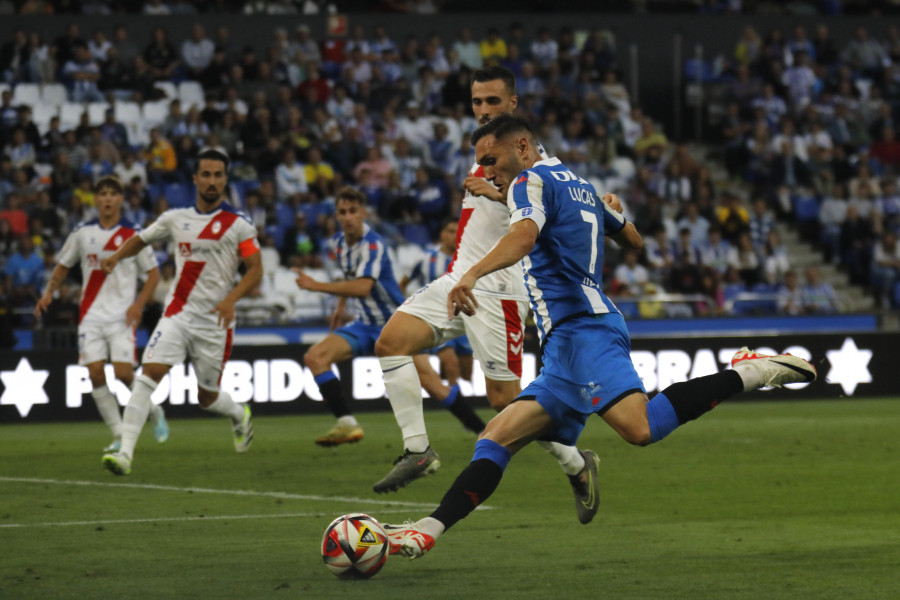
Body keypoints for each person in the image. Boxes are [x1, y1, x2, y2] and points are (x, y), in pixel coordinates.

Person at [382, 114, 817, 560]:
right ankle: (425, 533)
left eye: (491, 160)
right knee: (495, 437)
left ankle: (749, 371)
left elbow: (525, 236)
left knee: (640, 428)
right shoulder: (579, 183)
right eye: (481, 164)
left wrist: (470, 274)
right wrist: (615, 213)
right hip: (564, 346)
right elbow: (632, 239)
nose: (486, 171)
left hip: (583, 331)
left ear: (525, 146)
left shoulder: (526, 182)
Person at [373, 66, 590, 510]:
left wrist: (495, 194)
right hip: (460, 278)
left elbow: (546, 217)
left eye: (493, 102)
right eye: (477, 102)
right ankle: (418, 450)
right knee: (391, 342)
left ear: (513, 103)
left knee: (506, 406)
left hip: (501, 292)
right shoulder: (484, 152)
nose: (484, 110)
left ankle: (576, 463)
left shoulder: (537, 161)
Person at [98, 149, 262, 476]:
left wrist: (231, 299)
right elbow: (141, 239)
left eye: (218, 175)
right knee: (147, 377)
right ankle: (126, 454)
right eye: (206, 174)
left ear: (225, 179)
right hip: (177, 315)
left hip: (215, 322)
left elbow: (255, 270)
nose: (212, 181)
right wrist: (116, 256)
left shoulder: (238, 225)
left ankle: (238, 415)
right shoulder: (175, 219)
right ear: (195, 178)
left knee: (207, 397)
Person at [34, 175, 167, 453]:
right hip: (91, 315)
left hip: (122, 316)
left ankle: (153, 411)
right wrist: (49, 292)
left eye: (112, 194)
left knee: (123, 374)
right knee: (95, 375)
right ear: (96, 200)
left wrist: (138, 305)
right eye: (102, 194)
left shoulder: (134, 234)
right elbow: (62, 265)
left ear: (120, 199)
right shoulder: (82, 233)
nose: (107, 198)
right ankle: (118, 434)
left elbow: (153, 275)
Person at [293, 186, 406, 446]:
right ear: (336, 215)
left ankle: (483, 429)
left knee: (432, 383)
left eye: (353, 211)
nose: (348, 217)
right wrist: (339, 308)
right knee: (315, 357)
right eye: (342, 212)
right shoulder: (339, 244)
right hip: (365, 325)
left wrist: (316, 285)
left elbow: (363, 286)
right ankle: (347, 424)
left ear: (363, 213)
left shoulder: (374, 244)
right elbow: (350, 277)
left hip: (395, 324)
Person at [399, 218, 484, 437]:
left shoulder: (469, 260)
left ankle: (457, 402)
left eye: (458, 231)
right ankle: (464, 416)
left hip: (464, 321)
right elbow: (402, 283)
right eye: (449, 230)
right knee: (451, 363)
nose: (453, 235)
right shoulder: (426, 260)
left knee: (466, 372)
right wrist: (408, 306)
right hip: (437, 319)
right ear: (441, 235)